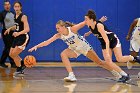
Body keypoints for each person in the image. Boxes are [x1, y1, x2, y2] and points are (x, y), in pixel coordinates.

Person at [29, 19, 129, 83]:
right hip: (74, 49)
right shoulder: (58, 35)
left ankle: (117, 72)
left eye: (58, 28)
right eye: (56, 28)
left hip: (84, 47)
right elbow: (47, 42)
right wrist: (36, 46)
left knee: (99, 62)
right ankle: (71, 75)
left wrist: (99, 21)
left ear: (63, 27)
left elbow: (85, 22)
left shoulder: (72, 29)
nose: (57, 30)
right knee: (63, 54)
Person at [84, 9, 140, 81]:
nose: (85, 21)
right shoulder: (90, 25)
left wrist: (107, 52)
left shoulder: (99, 25)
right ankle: (125, 75)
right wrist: (88, 33)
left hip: (112, 40)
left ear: (91, 19)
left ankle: (134, 58)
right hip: (104, 43)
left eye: (86, 19)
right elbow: (94, 29)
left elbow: (106, 40)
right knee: (108, 62)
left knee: (119, 59)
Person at [4, 1, 30, 76]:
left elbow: (27, 29)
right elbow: (17, 26)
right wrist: (9, 29)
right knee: (11, 54)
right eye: (15, 6)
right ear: (13, 7)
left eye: (18, 6)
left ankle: (20, 69)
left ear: (20, 7)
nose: (17, 8)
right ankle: (22, 63)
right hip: (17, 37)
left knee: (14, 54)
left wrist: (18, 33)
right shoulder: (15, 15)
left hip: (23, 37)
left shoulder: (23, 16)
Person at [0, 0, 16, 68]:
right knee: (9, 47)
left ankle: (1, 62)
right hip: (6, 32)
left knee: (7, 47)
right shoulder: (2, 13)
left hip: (13, 32)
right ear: (4, 6)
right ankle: (12, 63)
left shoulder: (13, 13)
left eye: (8, 4)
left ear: (10, 5)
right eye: (5, 5)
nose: (7, 6)